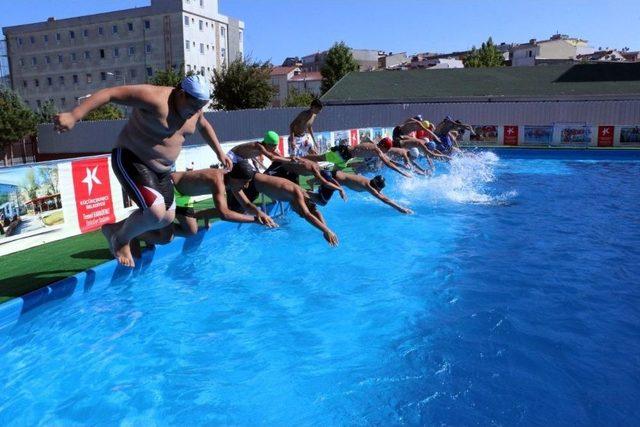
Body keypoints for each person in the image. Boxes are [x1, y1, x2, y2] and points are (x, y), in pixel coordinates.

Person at [53, 74, 233, 267]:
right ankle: (120, 241)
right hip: (132, 158)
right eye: (194, 106)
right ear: (181, 94)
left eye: (201, 106)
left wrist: (219, 152)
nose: (197, 111)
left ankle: (113, 229)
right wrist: (75, 115)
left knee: (167, 221)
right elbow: (110, 94)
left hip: (162, 171)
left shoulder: (195, 111)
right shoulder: (155, 98)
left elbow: (204, 125)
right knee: (156, 212)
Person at [225, 172, 339, 246]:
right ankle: (206, 215)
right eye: (297, 211)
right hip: (249, 182)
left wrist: (326, 229)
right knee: (231, 211)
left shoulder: (305, 194)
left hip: (254, 182)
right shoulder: (297, 193)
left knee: (238, 208)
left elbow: (314, 211)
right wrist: (326, 230)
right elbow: (307, 214)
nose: (296, 211)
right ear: (305, 203)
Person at [310, 170, 413, 214]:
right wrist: (401, 209)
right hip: (332, 178)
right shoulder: (368, 186)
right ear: (376, 187)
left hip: (333, 175)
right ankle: (302, 192)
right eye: (380, 189)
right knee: (322, 202)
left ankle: (306, 189)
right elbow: (384, 199)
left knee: (318, 194)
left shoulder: (368, 181)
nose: (380, 191)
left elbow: (381, 195)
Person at [305, 140, 413, 178]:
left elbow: (389, 161)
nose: (386, 152)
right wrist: (402, 173)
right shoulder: (376, 149)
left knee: (331, 168)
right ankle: (300, 161)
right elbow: (388, 163)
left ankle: (301, 162)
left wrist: (402, 167)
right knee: (321, 160)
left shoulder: (374, 146)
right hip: (344, 153)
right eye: (386, 149)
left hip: (344, 153)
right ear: (384, 147)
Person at [228, 130, 293, 170]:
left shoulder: (268, 147)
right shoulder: (259, 146)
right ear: (267, 144)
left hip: (241, 158)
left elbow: (281, 157)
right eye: (273, 146)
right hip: (232, 156)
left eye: (276, 145)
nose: (275, 148)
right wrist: (290, 160)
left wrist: (293, 158)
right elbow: (272, 157)